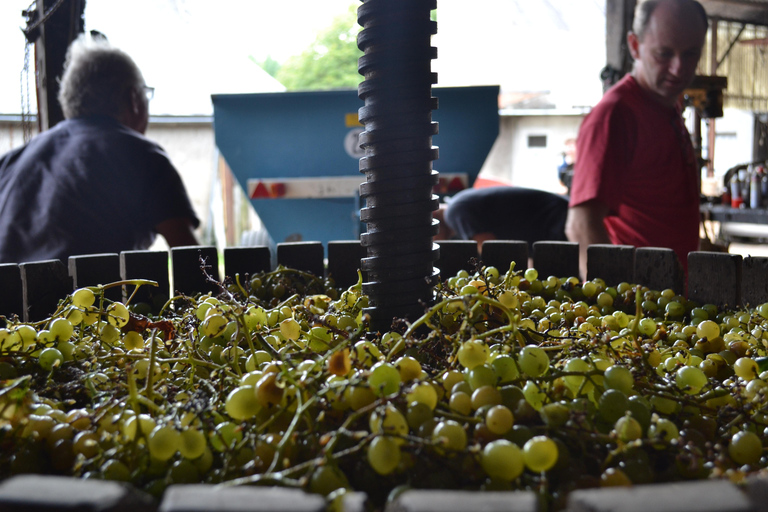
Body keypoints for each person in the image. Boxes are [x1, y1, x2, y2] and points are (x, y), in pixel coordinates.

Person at [0, 35, 199, 264]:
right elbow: (193, 262)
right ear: (133, 98)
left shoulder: (10, 162)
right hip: (92, 299)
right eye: (146, 94)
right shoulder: (143, 156)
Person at [565, 0, 708, 280]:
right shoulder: (615, 115)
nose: (679, 69)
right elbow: (582, 226)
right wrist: (621, 309)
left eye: (691, 54)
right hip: (642, 305)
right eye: (664, 54)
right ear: (634, 46)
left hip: (674, 303)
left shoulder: (668, 107)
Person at [440, 186, 570, 253]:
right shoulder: (457, 204)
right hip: (558, 217)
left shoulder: (453, 212)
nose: (434, 243)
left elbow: (494, 252)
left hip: (558, 220)